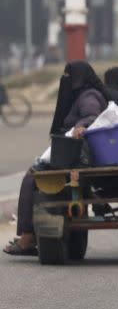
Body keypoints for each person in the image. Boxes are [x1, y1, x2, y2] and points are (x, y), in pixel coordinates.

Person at [4, 62, 108, 256]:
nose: (65, 79)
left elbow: (92, 116)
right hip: (72, 151)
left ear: (78, 77)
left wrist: (81, 126)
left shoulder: (89, 96)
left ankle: (27, 238)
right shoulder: (83, 94)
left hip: (77, 154)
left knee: (31, 178)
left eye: (68, 75)